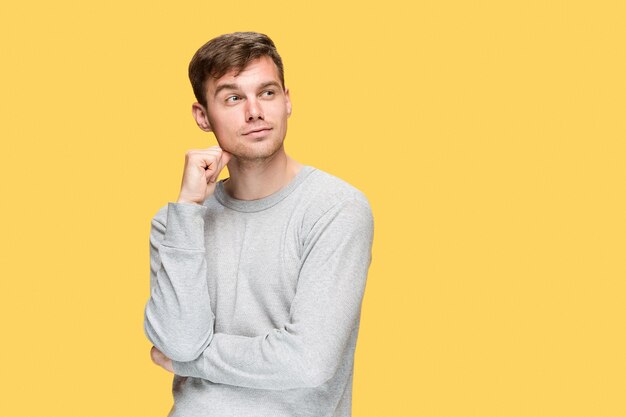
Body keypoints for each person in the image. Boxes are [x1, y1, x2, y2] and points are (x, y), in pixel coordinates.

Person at [143, 31, 375, 417]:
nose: (254, 111)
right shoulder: (175, 224)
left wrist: (189, 362)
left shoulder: (336, 208)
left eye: (266, 93)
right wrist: (187, 208)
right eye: (233, 98)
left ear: (287, 101)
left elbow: (308, 360)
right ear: (203, 116)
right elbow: (181, 340)